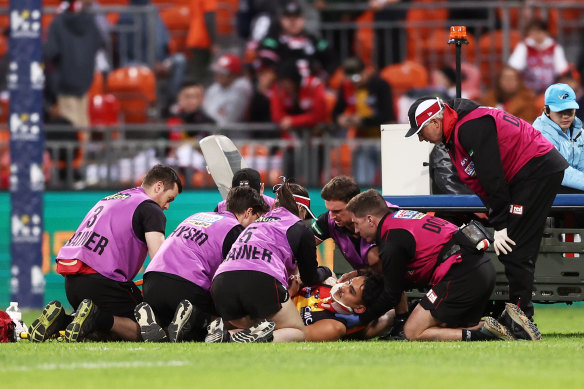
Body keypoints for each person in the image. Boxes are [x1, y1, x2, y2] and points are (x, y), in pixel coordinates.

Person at [406, 96, 568, 321]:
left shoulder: (469, 126)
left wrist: (500, 223)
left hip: (534, 170)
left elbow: (491, 175)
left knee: (515, 247)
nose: (421, 139)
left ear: (434, 122)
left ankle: (520, 318)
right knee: (515, 248)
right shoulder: (460, 127)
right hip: (530, 171)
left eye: (421, 131)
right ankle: (517, 313)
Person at [346, 189, 541, 341]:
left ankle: (498, 329)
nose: (355, 230)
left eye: (356, 223)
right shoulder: (399, 218)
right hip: (477, 269)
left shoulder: (390, 240)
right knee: (443, 327)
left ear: (370, 220)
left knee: (413, 332)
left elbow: (392, 293)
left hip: (461, 275)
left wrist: (361, 321)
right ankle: (502, 325)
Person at [28, 164, 182, 343]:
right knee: (148, 329)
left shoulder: (112, 198)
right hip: (102, 282)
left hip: (72, 283)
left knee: (103, 333)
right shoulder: (150, 208)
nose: (167, 206)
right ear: (158, 186)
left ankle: (62, 320)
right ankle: (95, 316)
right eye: (169, 198)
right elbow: (159, 262)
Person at [134, 186, 270, 342]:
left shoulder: (197, 216)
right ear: (248, 212)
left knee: (170, 332)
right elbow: (237, 280)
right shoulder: (236, 230)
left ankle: (156, 320)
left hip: (152, 283)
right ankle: (195, 318)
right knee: (225, 323)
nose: (257, 226)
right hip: (186, 288)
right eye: (257, 218)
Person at [207, 180, 330, 343]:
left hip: (221, 283)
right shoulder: (299, 227)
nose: (304, 219)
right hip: (259, 280)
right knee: (297, 331)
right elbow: (310, 278)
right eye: (305, 214)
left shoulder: (257, 222)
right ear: (301, 208)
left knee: (254, 326)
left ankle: (227, 336)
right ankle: (252, 340)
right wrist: (326, 271)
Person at [332, 57, 395, 186]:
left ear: (365, 72)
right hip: (362, 142)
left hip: (383, 141)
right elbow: (336, 112)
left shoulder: (381, 85)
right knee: (363, 182)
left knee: (391, 181)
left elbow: (387, 114)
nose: (354, 83)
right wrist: (341, 119)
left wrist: (363, 121)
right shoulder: (346, 87)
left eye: (356, 78)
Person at [44, 0, 105, 127]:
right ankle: (84, 147)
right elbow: (99, 43)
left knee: (70, 124)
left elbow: (50, 52)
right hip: (85, 80)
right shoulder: (90, 22)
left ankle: (78, 147)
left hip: (65, 82)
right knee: (83, 121)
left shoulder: (57, 23)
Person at [291, 271, 394, 342]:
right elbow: (327, 271)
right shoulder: (328, 281)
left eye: (351, 291)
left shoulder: (333, 327)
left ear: (359, 308)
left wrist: (288, 293)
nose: (343, 287)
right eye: (349, 283)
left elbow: (290, 335)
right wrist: (302, 279)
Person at [532, 83, 584, 193]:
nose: (565, 116)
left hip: (566, 188)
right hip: (542, 194)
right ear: (547, 111)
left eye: (569, 111)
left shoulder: (579, 132)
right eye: (560, 111)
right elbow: (559, 172)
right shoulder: (539, 134)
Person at [508, 18, 569, 95]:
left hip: (551, 90)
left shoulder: (555, 48)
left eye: (539, 32)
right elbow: (514, 67)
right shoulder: (524, 46)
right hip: (527, 90)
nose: (536, 35)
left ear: (545, 32)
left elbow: (562, 70)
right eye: (533, 32)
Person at [202, 53, 253, 130]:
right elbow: (205, 112)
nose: (217, 75)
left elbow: (227, 120)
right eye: (217, 72)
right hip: (216, 133)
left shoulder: (242, 88)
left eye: (222, 73)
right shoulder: (214, 88)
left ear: (233, 75)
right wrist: (217, 113)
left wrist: (215, 113)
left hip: (237, 136)